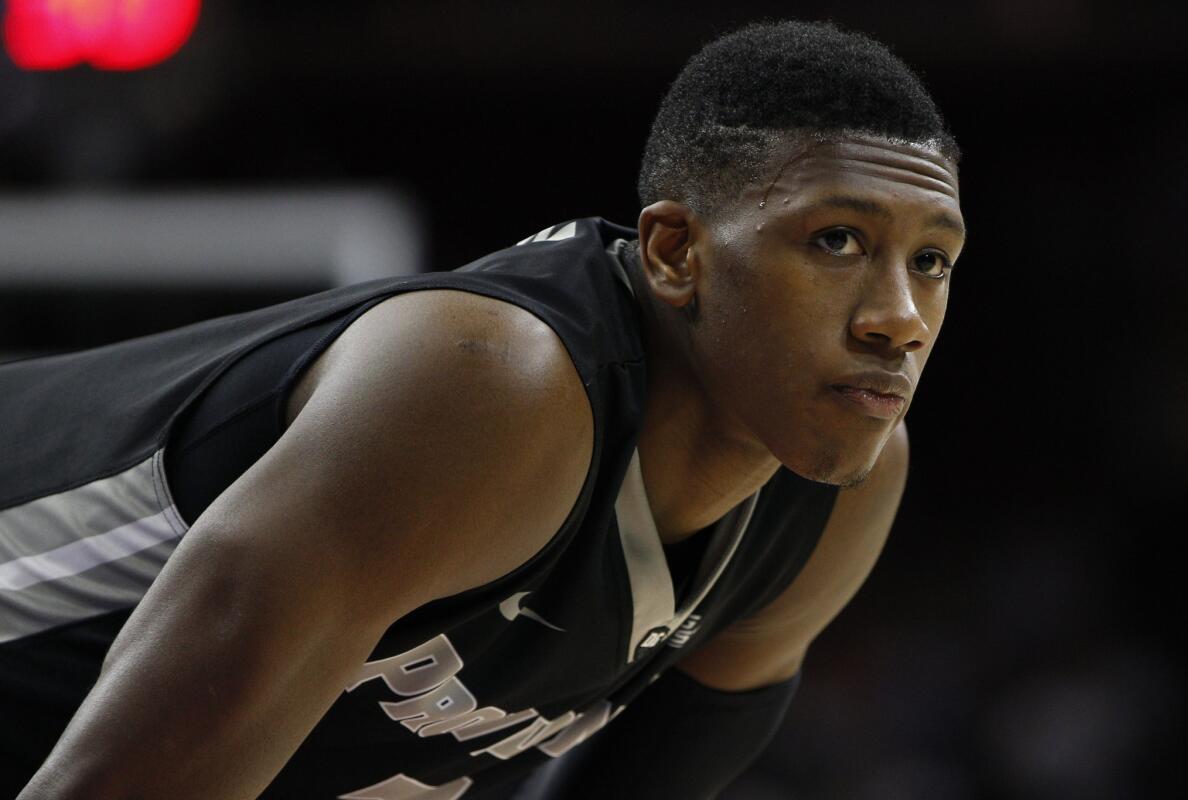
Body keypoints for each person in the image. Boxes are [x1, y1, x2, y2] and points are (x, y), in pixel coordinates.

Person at [0, 20, 966, 800]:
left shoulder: (834, 493)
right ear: (676, 253)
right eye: (838, 241)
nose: (901, 318)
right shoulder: (491, 389)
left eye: (931, 261)